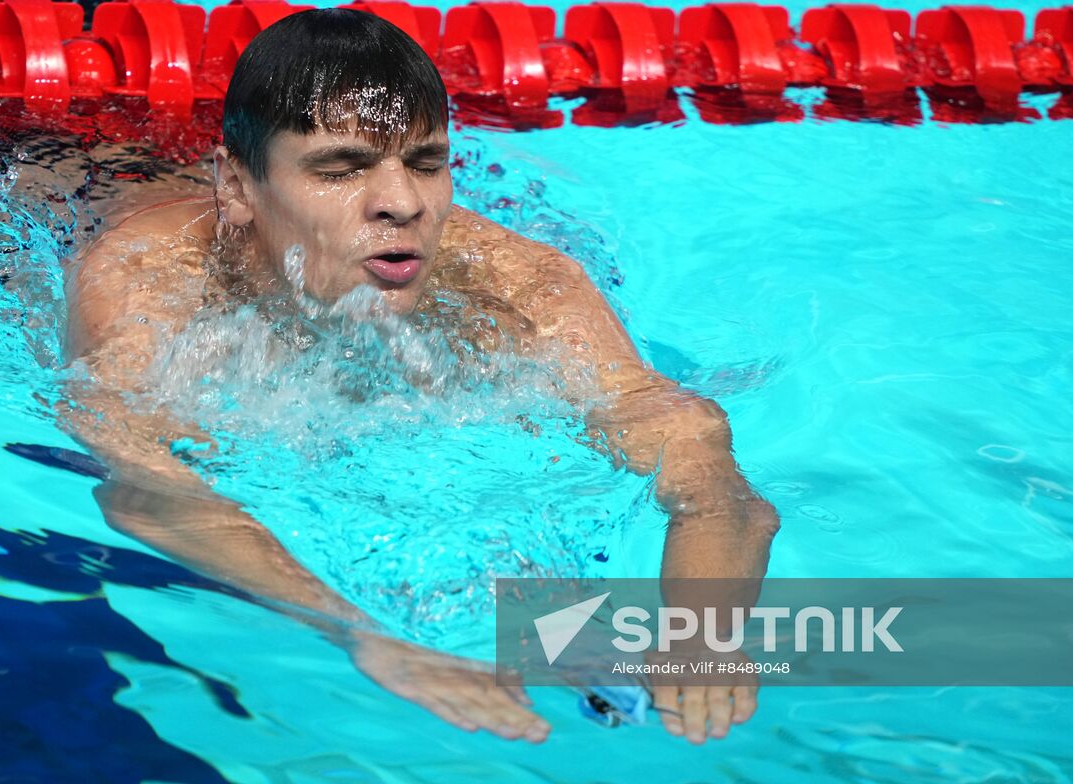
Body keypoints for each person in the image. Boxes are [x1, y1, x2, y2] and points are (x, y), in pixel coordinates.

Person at [61, 8, 779, 745]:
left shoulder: (516, 284)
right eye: (339, 169)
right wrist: (364, 634)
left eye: (427, 163)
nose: (401, 203)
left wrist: (705, 630)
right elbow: (149, 492)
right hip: (61, 166)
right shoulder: (142, 279)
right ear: (237, 189)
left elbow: (696, 456)